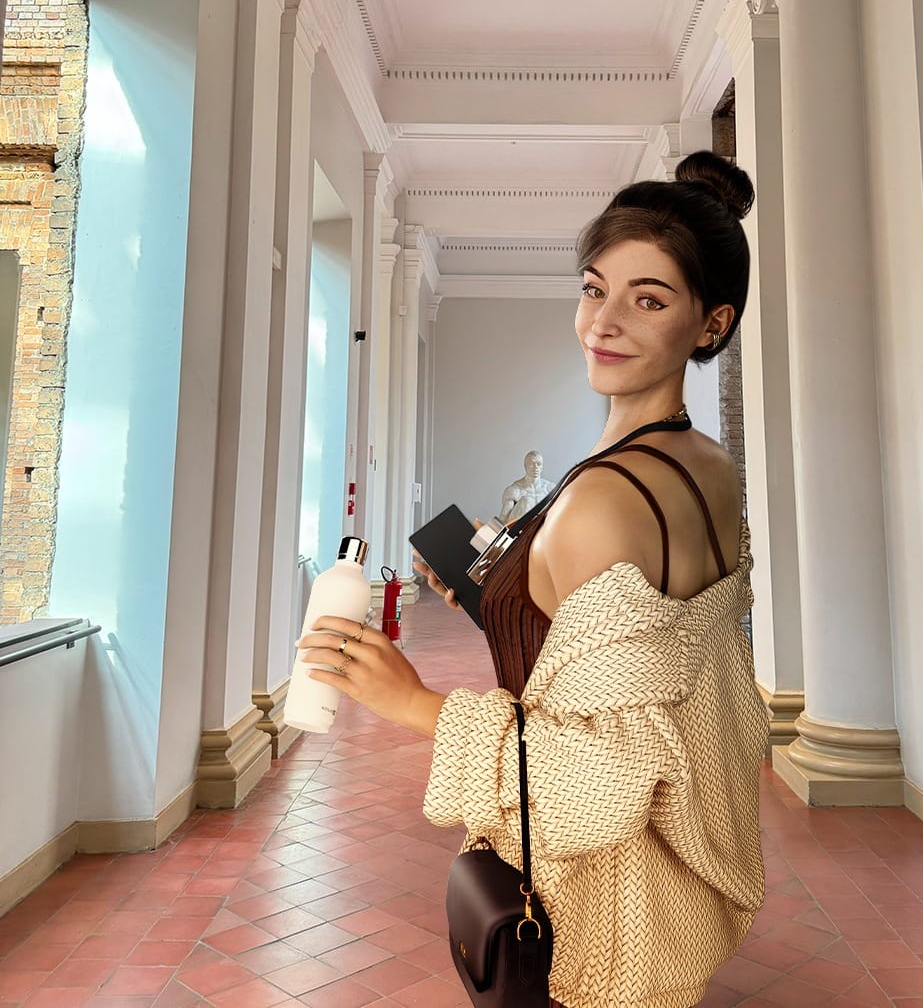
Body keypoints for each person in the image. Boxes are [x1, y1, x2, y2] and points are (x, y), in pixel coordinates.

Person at [297, 150, 769, 1008]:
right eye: (595, 289)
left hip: (601, 903)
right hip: (671, 876)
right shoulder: (705, 463)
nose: (604, 322)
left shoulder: (603, 498)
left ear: (711, 324)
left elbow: (604, 774)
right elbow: (636, 653)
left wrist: (412, 703)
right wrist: (497, 598)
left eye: (649, 299)